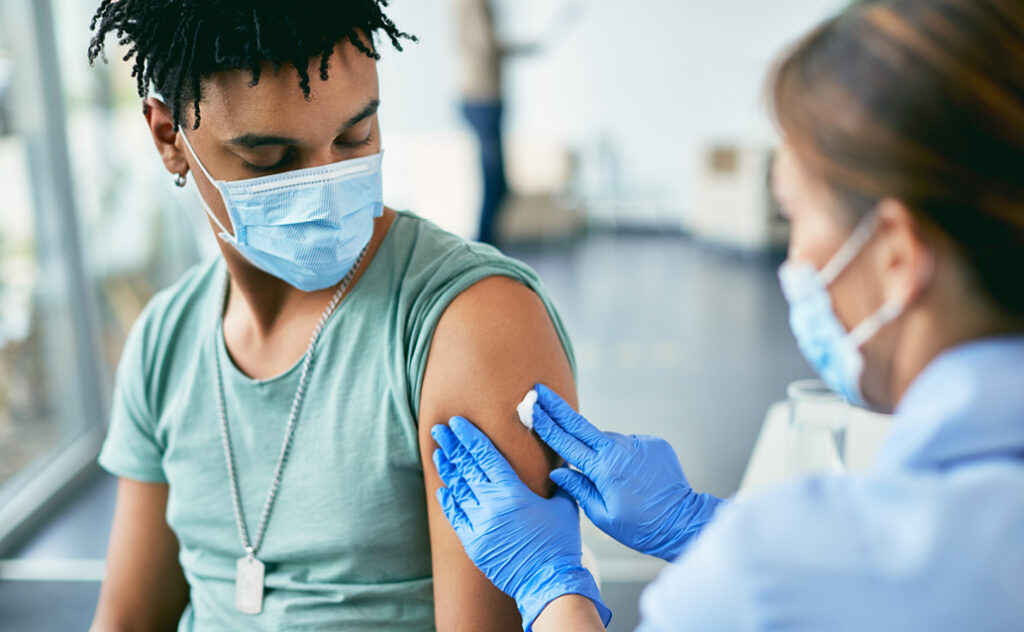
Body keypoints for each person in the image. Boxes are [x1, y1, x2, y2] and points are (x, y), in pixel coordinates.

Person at [429, 0, 1024, 630]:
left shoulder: (758, 582)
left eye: (795, 216)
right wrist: (697, 523)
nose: (792, 260)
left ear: (898, 260)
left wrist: (549, 586)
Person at [85, 2, 580, 630]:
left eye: (356, 137)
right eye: (269, 157)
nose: (327, 186)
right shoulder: (165, 339)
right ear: (168, 139)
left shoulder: (467, 325)